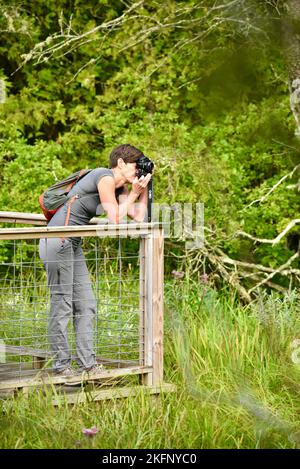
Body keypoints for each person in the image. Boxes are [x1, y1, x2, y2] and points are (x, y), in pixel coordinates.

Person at [39, 144, 152, 377]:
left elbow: (139, 216)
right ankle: (62, 367)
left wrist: (143, 187)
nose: (137, 171)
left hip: (73, 243)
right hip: (57, 241)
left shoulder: (120, 188)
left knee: (86, 304)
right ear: (120, 163)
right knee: (63, 304)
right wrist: (133, 193)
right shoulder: (104, 177)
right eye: (135, 166)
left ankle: (87, 365)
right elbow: (115, 220)